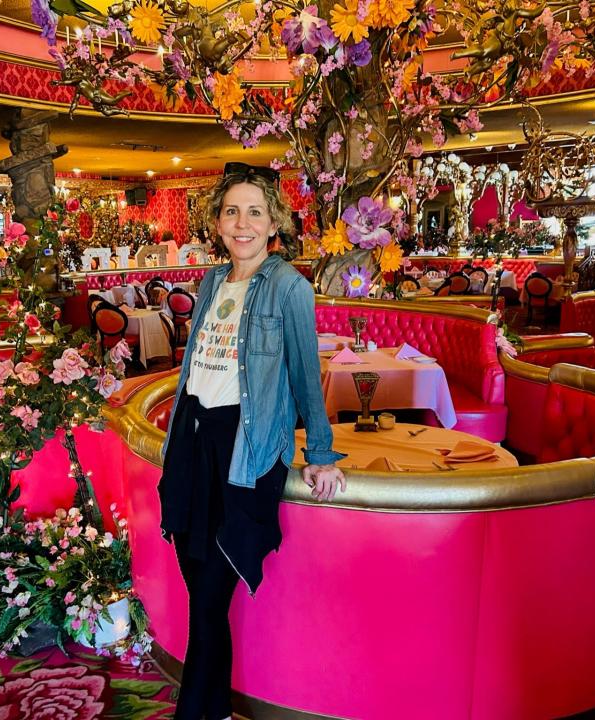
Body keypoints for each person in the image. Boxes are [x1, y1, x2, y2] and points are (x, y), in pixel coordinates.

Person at [158, 163, 347, 720]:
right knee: (202, 595)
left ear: (273, 224)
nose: (242, 223)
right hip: (193, 441)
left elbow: (305, 377)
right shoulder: (213, 280)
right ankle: (212, 709)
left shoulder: (289, 286)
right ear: (217, 221)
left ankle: (193, 712)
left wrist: (318, 455)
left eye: (254, 212)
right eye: (231, 211)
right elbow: (195, 365)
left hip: (243, 451)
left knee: (212, 595)